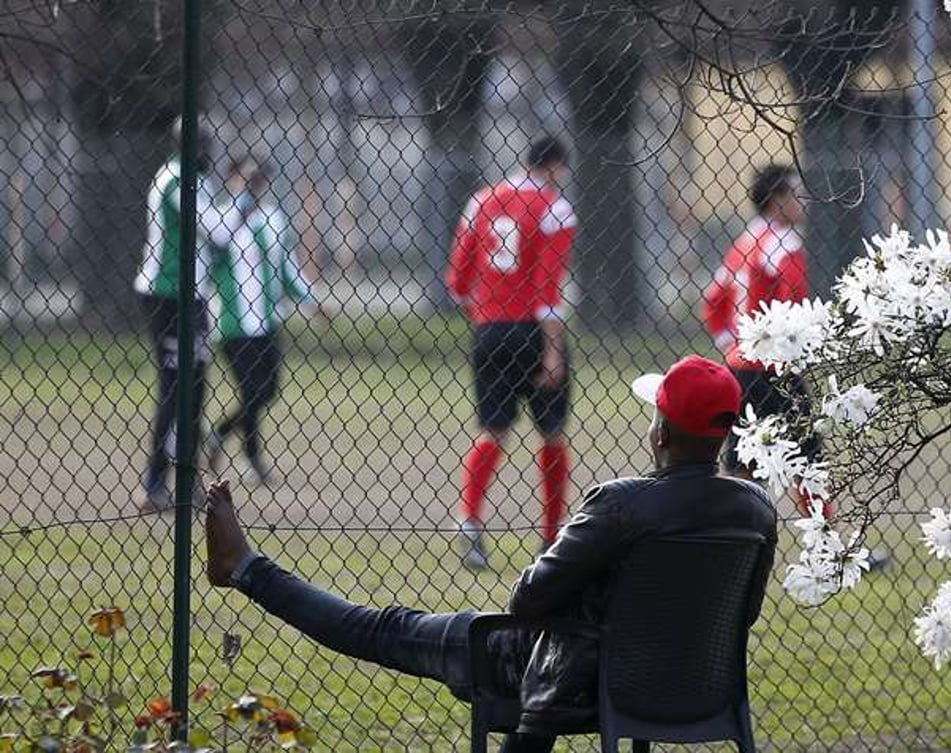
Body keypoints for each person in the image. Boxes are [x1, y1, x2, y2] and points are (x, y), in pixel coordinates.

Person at [204, 354, 776, 753]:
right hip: (688, 684)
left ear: (661, 434)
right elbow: (740, 615)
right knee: (555, 643)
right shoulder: (755, 509)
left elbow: (526, 599)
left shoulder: (621, 505)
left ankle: (246, 569)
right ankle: (246, 568)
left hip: (572, 679)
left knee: (382, 627)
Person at [445, 136, 578, 569]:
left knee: (492, 430)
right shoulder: (554, 208)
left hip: (488, 328)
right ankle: (552, 534)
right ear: (556, 166)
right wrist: (553, 348)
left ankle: (469, 518)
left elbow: (458, 281)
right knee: (552, 432)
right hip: (534, 331)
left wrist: (484, 314)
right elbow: (547, 287)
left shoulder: (481, 200)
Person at [133, 118, 245, 512]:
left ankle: (184, 481)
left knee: (194, 387)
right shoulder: (178, 180)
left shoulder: (188, 179)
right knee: (176, 387)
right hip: (168, 295)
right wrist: (240, 195)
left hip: (190, 297)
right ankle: (154, 481)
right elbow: (218, 230)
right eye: (203, 144)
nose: (208, 152)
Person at [702, 164, 821, 515]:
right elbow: (794, 298)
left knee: (741, 461)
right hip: (775, 365)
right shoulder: (784, 241)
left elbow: (712, 301)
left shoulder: (745, 241)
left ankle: (727, 536)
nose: (805, 202)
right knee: (808, 456)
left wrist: (729, 345)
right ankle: (827, 543)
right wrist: (799, 346)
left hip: (741, 366)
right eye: (797, 194)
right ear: (777, 199)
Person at [204, 156, 326, 485]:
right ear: (231, 180)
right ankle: (253, 458)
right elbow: (207, 265)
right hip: (232, 322)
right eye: (248, 178)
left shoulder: (273, 219)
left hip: (268, 321)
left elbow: (288, 269)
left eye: (259, 179)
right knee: (251, 389)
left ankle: (219, 433)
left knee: (267, 389)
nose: (254, 184)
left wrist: (312, 300)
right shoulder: (221, 220)